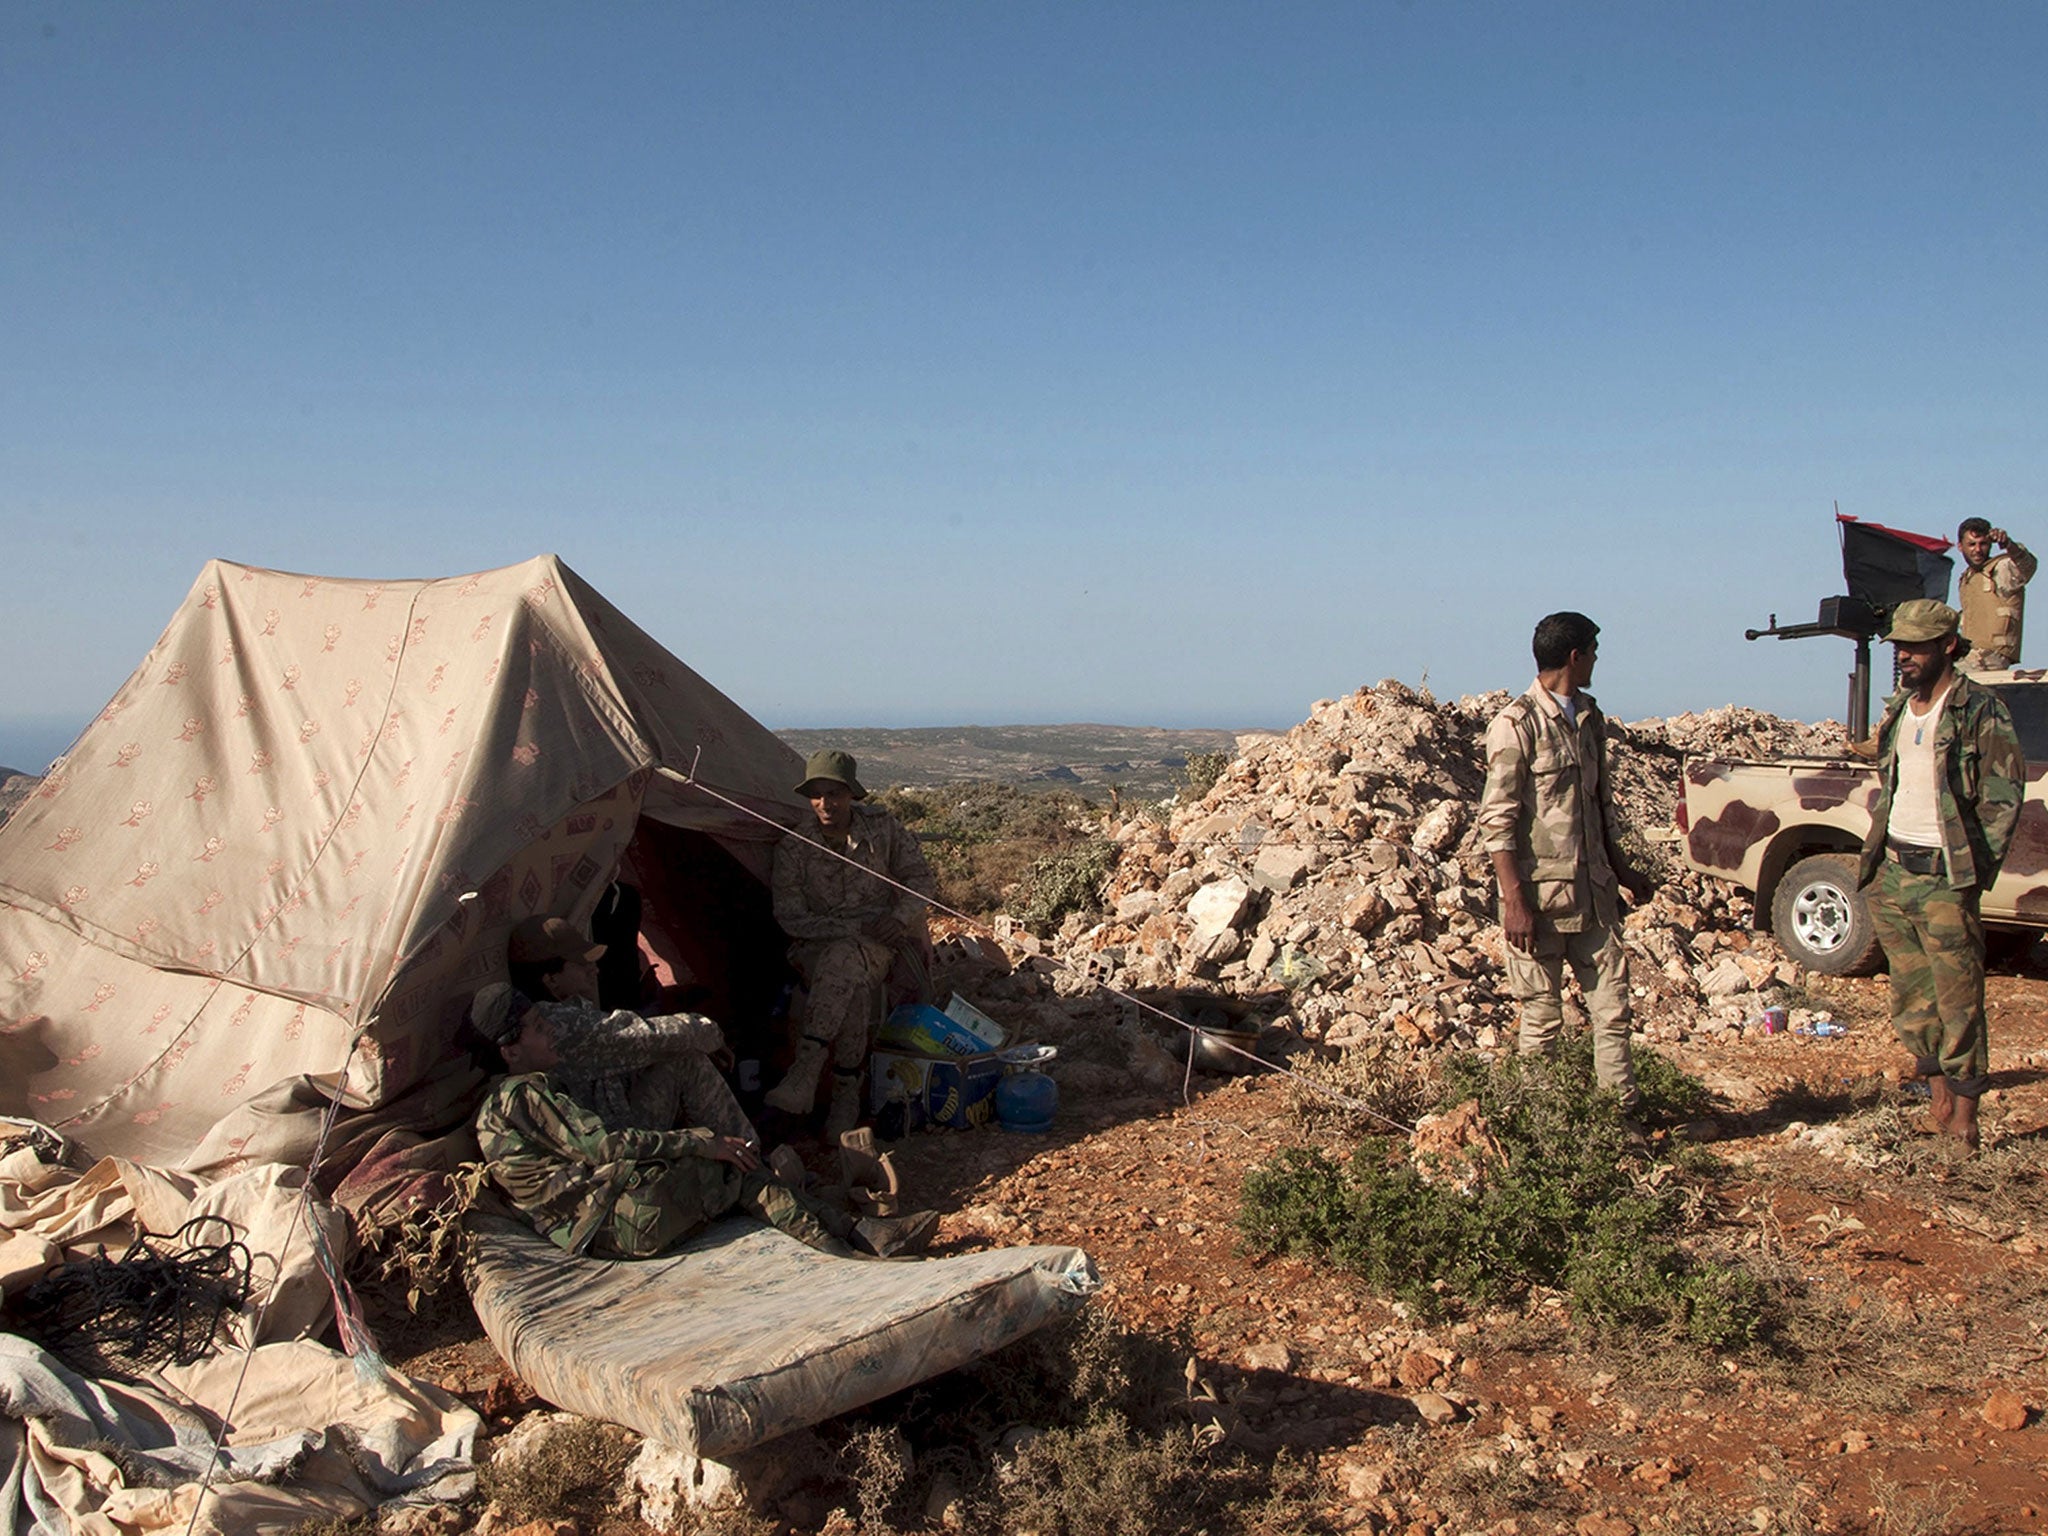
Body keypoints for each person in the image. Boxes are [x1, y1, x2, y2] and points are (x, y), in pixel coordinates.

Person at [467, 984, 936, 1259]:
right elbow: (603, 1147)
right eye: (539, 1030)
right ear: (511, 1051)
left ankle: (849, 1233)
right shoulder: (527, 1094)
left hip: (598, 1211)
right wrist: (699, 1142)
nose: (551, 1033)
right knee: (736, 1167)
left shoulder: (504, 1101)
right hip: (609, 1220)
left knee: (729, 1165)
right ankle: (848, 1251)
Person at [1857, 599, 2024, 1153]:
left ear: (1948, 646)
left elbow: (2003, 798)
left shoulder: (1979, 710)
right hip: (1895, 870)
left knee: (1960, 1001)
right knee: (1913, 997)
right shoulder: (1904, 707)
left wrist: (1973, 874)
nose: (1902, 656)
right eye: (1899, 646)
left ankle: (1965, 1123)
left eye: (1914, 647)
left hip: (1945, 877)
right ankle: (1938, 1100)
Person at [1477, 612, 1654, 1115]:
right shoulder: (1516, 725)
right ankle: (1545, 1130)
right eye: (1593, 651)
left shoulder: (1589, 718)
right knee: (1541, 1020)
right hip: (1539, 902)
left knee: (1613, 1013)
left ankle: (1619, 1122)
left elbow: (1601, 806)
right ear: (1575, 657)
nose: (1597, 660)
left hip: (1595, 897)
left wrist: (1623, 871)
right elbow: (1498, 820)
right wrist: (1515, 903)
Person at [765, 751, 937, 1135]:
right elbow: (790, 915)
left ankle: (805, 1075)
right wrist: (849, 929)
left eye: (835, 794)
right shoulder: (795, 846)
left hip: (879, 944)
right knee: (849, 975)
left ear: (852, 795)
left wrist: (898, 919)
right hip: (815, 945)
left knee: (847, 964)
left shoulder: (882, 830)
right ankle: (845, 1096)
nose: (826, 804)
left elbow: (921, 880)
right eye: (817, 795)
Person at [504, 914, 754, 1144]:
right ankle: (753, 1165)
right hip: (610, 1141)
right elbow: (647, 1036)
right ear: (551, 979)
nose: (595, 970)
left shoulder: (552, 1016)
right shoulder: (558, 1023)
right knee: (686, 1058)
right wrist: (710, 1032)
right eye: (582, 965)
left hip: (604, 1126)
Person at [1955, 517, 2037, 671]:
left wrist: (2009, 545)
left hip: (1989, 658)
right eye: (1972, 544)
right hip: (1969, 655)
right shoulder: (1967, 578)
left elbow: (2027, 566)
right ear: (1960, 546)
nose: (1978, 550)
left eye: (1983, 544)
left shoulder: (2001, 568)